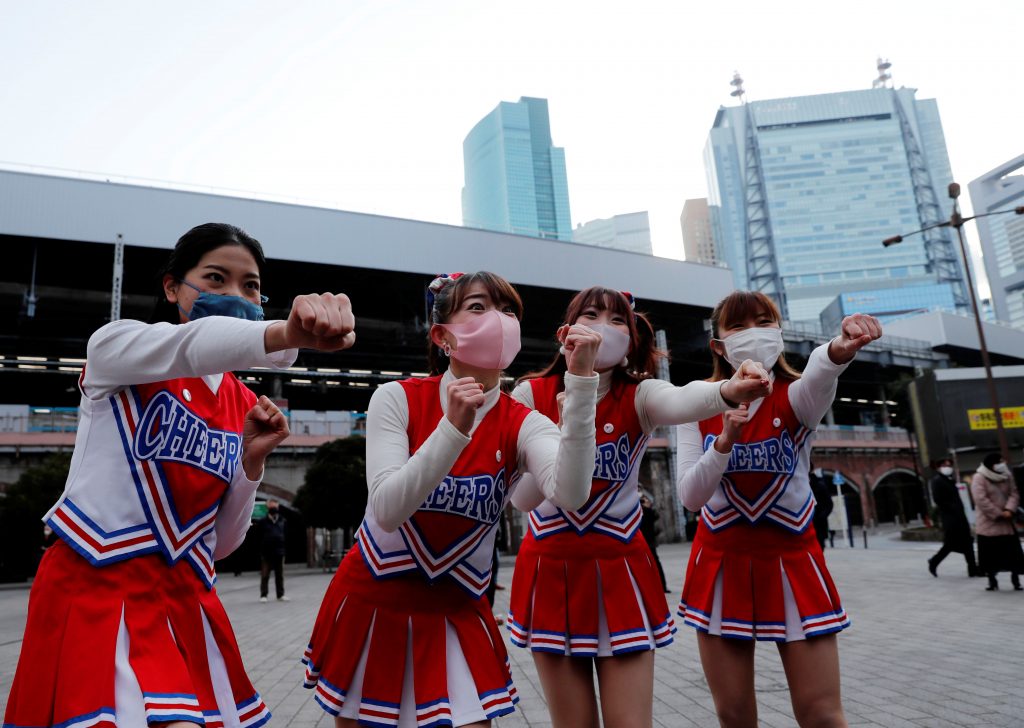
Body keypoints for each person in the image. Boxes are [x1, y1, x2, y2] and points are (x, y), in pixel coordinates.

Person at [4, 222, 356, 728]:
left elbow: (219, 545)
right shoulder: (119, 348)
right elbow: (192, 346)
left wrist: (250, 465)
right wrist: (282, 335)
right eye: (215, 278)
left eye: (251, 286)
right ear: (172, 287)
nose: (235, 294)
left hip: (183, 599)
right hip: (95, 589)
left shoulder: (241, 402)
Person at [302, 271, 601, 727]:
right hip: (373, 604)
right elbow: (387, 508)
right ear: (443, 335)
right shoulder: (396, 398)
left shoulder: (523, 421)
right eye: (478, 307)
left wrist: (580, 385)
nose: (498, 320)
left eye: (507, 311)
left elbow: (571, 492)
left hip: (457, 611)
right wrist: (452, 430)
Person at [506, 287, 770, 728]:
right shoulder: (531, 393)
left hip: (620, 570)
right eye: (590, 315)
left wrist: (728, 389)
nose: (603, 328)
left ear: (631, 339)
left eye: (616, 321)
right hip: (550, 569)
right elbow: (523, 499)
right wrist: (568, 422)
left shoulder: (641, 394)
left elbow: (685, 400)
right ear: (564, 334)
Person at [676, 290, 881, 728]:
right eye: (738, 326)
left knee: (822, 714)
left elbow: (821, 375)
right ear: (719, 345)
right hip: (721, 563)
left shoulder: (798, 396)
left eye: (764, 322)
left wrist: (838, 350)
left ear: (780, 334)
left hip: (793, 559)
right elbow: (690, 497)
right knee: (733, 715)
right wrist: (724, 445)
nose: (754, 334)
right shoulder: (698, 404)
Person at [970, 452, 1023, 591]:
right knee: (990, 556)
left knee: (1013, 555)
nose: (1002, 464)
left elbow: (1014, 493)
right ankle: (992, 580)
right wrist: (999, 513)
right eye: (999, 461)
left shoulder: (1007, 475)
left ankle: (1015, 580)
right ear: (990, 464)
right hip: (989, 523)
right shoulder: (979, 477)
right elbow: (980, 499)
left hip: (1007, 521)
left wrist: (1009, 509)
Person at [927, 458, 978, 577]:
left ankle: (973, 569)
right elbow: (938, 500)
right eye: (945, 465)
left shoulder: (949, 480)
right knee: (950, 544)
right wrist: (953, 509)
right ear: (939, 467)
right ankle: (934, 561)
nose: (948, 467)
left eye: (950, 465)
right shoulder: (937, 481)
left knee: (967, 543)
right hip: (951, 519)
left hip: (959, 517)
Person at [639, 487, 670, 593]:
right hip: (642, 541)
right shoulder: (640, 511)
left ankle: (662, 586)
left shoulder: (649, 511)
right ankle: (653, 587)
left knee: (655, 563)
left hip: (650, 541)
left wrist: (648, 507)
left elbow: (656, 518)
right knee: (645, 565)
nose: (644, 501)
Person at [258, 497, 289, 601]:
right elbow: (258, 536)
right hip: (266, 553)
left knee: (279, 575)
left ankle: (280, 595)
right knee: (265, 574)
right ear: (268, 507)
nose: (273, 509)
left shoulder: (282, 520)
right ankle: (263, 595)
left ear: (278, 507)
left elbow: (285, 535)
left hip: (279, 552)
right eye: (271, 507)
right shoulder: (262, 522)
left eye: (275, 507)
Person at [809, 464, 834, 550]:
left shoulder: (819, 485)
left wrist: (821, 516)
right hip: (805, 526)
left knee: (819, 549)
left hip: (818, 525)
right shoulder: (798, 484)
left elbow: (829, 504)